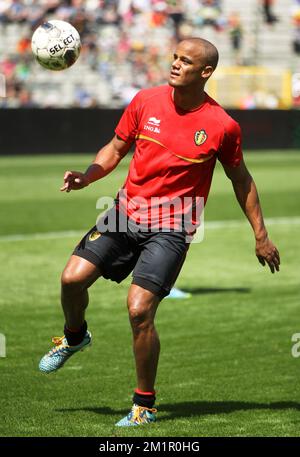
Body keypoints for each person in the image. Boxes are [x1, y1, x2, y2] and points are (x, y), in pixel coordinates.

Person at [39, 37, 280, 427]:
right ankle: (74, 335)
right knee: (71, 280)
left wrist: (261, 235)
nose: (175, 64)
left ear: (206, 72)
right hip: (124, 214)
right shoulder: (145, 101)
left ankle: (144, 405)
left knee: (139, 311)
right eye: (174, 57)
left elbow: (242, 180)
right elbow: (116, 149)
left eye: (186, 61)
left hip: (171, 227)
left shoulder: (223, 126)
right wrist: (88, 176)